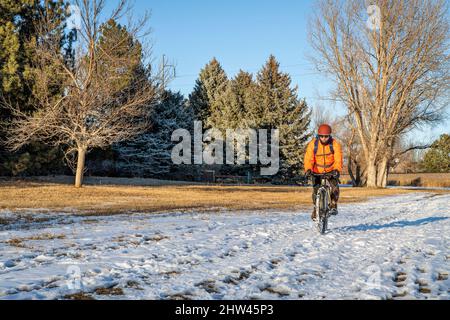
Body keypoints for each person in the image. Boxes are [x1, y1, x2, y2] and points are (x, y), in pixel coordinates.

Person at [304, 124, 343, 221]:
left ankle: (333, 204)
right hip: (316, 171)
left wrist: (337, 170)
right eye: (321, 136)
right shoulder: (313, 144)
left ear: (329, 135)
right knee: (316, 190)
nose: (324, 138)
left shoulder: (334, 144)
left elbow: (338, 158)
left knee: (334, 187)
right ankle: (316, 208)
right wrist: (308, 169)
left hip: (331, 170)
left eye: (326, 136)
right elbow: (308, 158)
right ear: (318, 135)